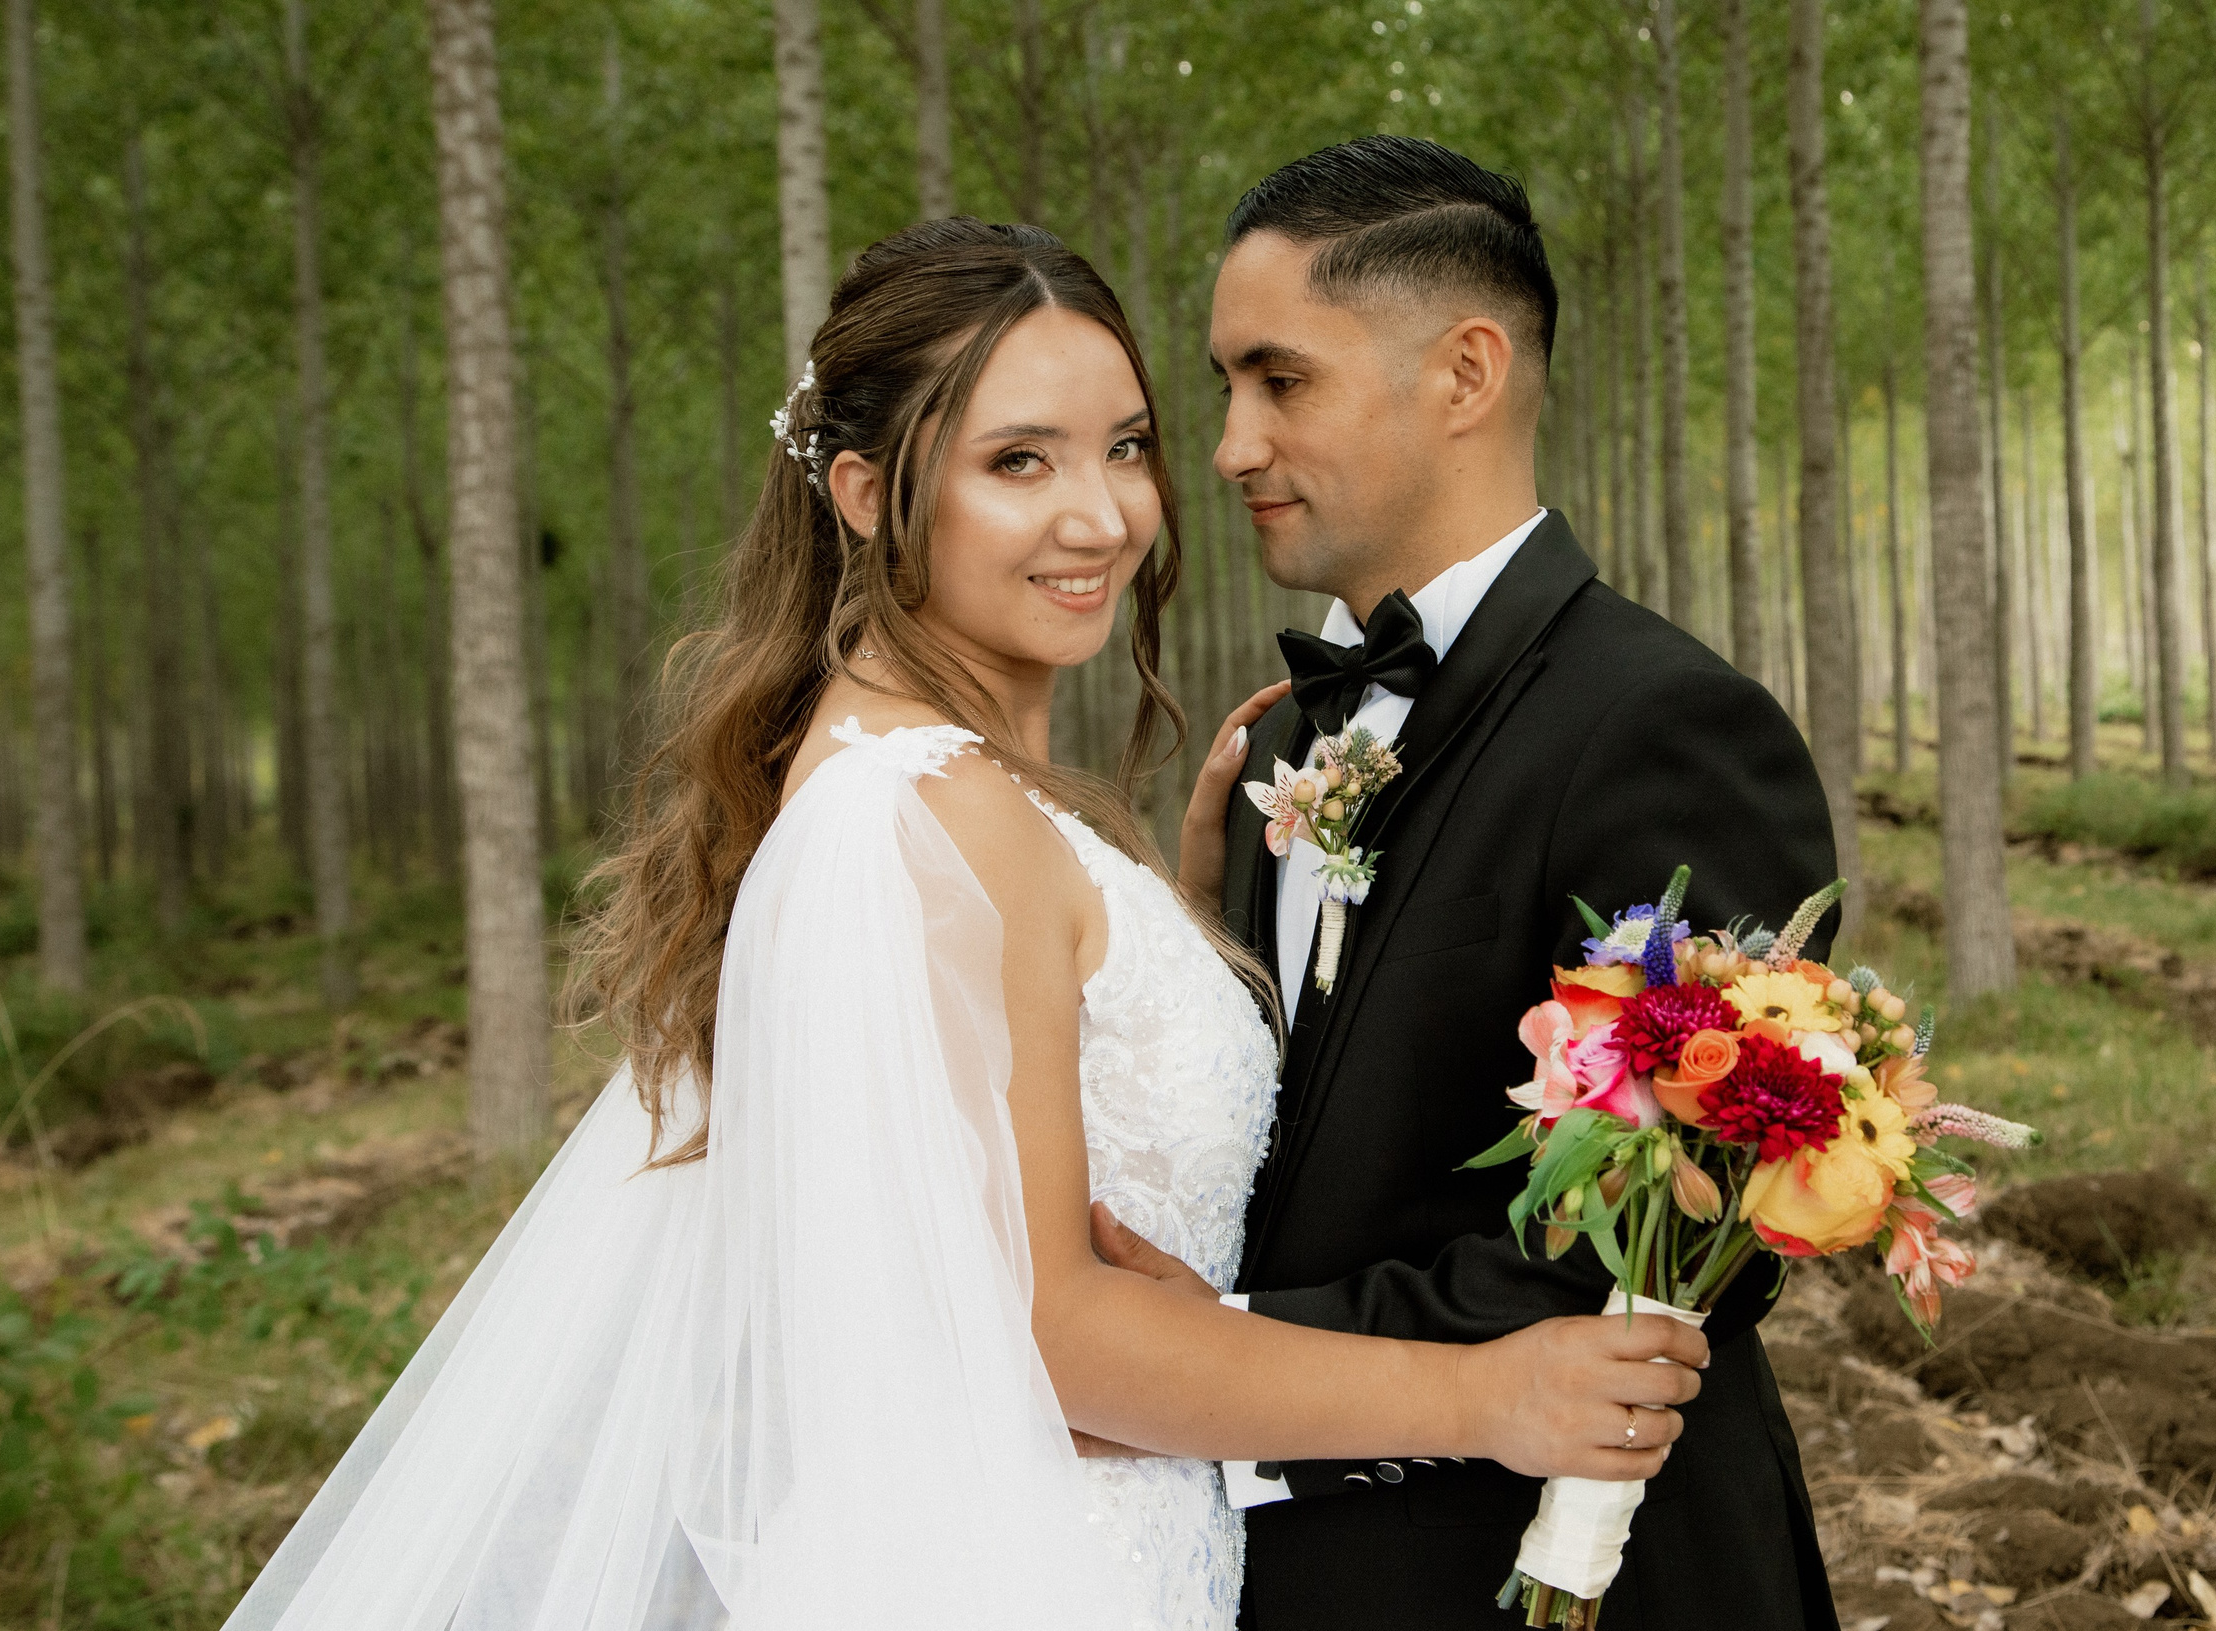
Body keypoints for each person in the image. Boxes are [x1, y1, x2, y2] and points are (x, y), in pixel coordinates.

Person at [218, 217, 1707, 1631]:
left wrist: (1181, 923)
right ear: (867, 492)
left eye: (1126, 447)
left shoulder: (941, 787)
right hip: (1033, 1561)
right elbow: (1048, 1332)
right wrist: (1484, 1397)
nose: (1101, 516)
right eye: (1017, 461)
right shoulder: (922, 812)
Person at [1172, 136, 1844, 1630]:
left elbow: (1669, 1236)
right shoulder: (1283, 741)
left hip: (1579, 1570)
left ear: (1465, 373)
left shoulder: (1668, 726)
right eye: (1227, 387)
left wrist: (1220, 1362)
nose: (1230, 446)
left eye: (1280, 382)